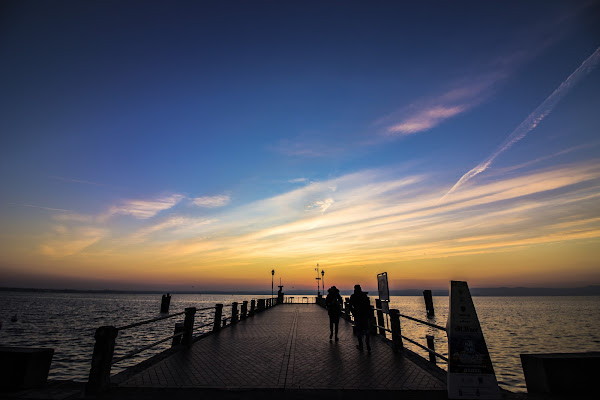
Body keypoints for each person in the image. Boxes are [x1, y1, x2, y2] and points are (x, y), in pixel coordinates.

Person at [350, 284, 372, 351]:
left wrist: (353, 312)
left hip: (358, 315)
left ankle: (361, 345)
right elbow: (368, 305)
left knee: (358, 330)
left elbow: (350, 305)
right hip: (365, 315)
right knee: (366, 329)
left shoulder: (353, 296)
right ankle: (367, 343)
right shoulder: (364, 295)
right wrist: (369, 314)